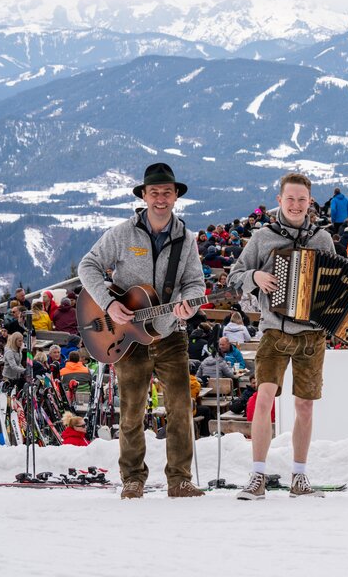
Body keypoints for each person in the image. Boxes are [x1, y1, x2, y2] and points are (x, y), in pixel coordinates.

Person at [228, 172, 348, 500]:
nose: (295, 205)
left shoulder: (321, 239)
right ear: (280, 200)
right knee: (264, 399)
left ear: (310, 203)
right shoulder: (263, 237)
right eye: (290, 199)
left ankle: (300, 476)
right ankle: (258, 476)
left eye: (302, 200)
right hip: (275, 330)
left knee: (305, 405)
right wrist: (256, 275)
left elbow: (340, 284)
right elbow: (236, 275)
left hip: (312, 334)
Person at [77, 162, 206, 499]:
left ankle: (179, 479)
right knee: (132, 409)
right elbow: (87, 265)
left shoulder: (185, 239)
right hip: (127, 337)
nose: (160, 198)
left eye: (167, 192)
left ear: (176, 196)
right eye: (154, 193)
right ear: (144, 196)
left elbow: (194, 283)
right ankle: (132, 478)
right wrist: (107, 303)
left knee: (180, 406)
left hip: (170, 335)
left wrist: (189, 304)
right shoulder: (122, 233)